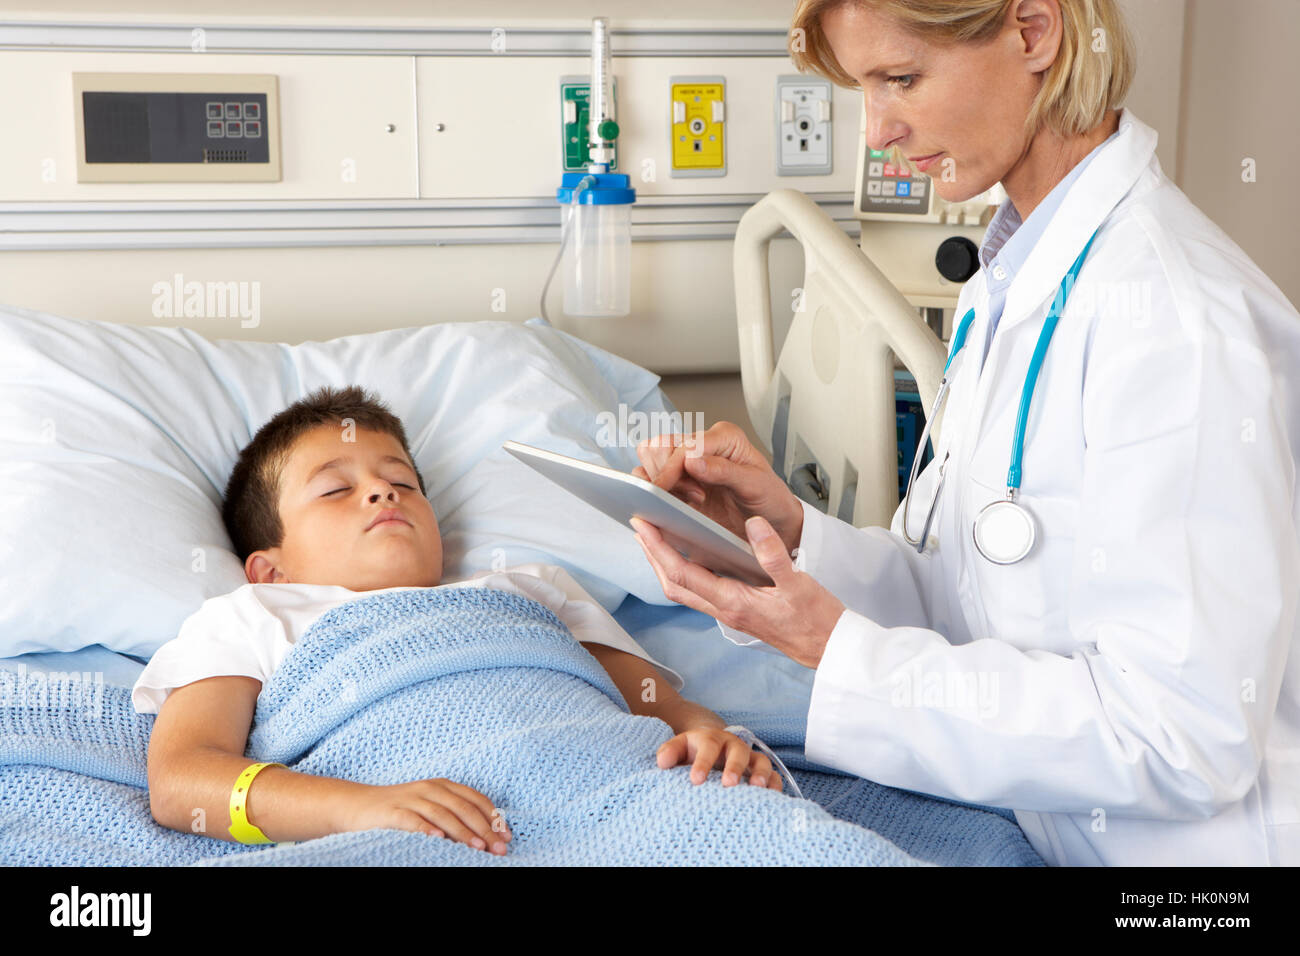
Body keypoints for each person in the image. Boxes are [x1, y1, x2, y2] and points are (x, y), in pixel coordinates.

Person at [629, 0, 1300, 866]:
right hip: (1043, 828)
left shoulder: (1173, 323)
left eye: (901, 79)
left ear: (1033, 30)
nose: (876, 133)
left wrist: (842, 655)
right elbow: (973, 597)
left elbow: (1186, 735)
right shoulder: (1013, 281)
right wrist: (789, 541)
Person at [134, 385, 782, 856]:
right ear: (270, 570)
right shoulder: (253, 616)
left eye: (402, 482)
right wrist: (361, 809)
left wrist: (709, 738)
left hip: (623, 800)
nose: (382, 491)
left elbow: (660, 707)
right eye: (336, 489)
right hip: (410, 834)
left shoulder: (528, 588)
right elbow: (183, 779)